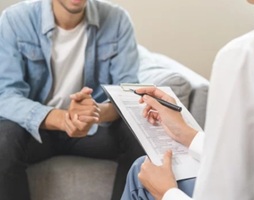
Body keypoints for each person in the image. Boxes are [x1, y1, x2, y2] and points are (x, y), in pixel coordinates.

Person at [121, 0, 254, 199]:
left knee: (143, 175)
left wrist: (167, 193)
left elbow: (226, 192)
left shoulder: (251, 55)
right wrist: (188, 134)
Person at [0, 0, 145, 200]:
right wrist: (61, 118)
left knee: (140, 133)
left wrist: (94, 112)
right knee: (3, 138)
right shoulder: (15, 20)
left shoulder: (118, 20)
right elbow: (5, 94)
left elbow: (128, 94)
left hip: (93, 129)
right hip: (38, 130)